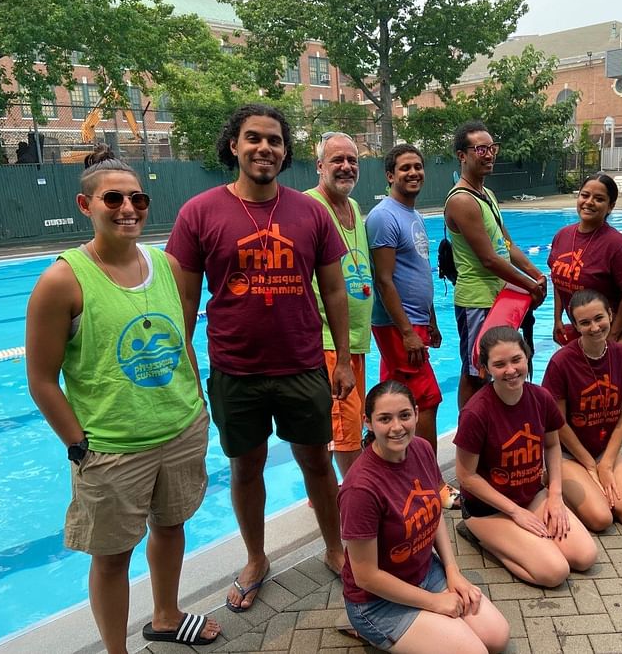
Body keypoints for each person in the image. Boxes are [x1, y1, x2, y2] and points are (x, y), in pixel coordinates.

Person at [25, 145, 221, 651]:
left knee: (172, 526)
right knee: (111, 557)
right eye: (113, 198)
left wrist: (197, 407)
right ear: (84, 204)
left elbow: (181, 345)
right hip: (112, 448)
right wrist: (78, 446)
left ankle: (166, 615)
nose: (128, 208)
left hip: (180, 430)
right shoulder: (62, 280)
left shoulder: (165, 266)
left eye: (138, 198)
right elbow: (42, 380)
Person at [166, 104, 354, 612]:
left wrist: (339, 360)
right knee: (245, 466)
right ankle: (256, 558)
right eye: (253, 138)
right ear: (234, 145)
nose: (264, 148)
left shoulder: (310, 211)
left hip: (301, 364)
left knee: (316, 459)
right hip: (235, 369)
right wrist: (186, 362)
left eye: (274, 140)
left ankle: (335, 549)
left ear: (285, 151)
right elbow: (182, 300)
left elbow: (334, 290)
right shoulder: (199, 212)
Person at [339, 380, 510, 653]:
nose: (397, 427)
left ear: (416, 414)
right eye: (385, 418)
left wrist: (453, 572)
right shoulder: (360, 489)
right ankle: (364, 628)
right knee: (473, 651)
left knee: (497, 637)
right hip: (376, 601)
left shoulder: (420, 448)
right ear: (368, 422)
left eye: (404, 415)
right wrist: (434, 603)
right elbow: (367, 577)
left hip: (424, 573)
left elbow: (433, 513)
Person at [454, 327, 597, 588]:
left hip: (531, 495)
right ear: (485, 368)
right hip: (488, 510)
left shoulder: (540, 398)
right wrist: (515, 513)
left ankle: (524, 539)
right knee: (554, 572)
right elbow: (466, 476)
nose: (510, 370)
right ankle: (481, 538)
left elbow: (552, 446)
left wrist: (555, 496)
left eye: (516, 360)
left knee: (584, 557)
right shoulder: (476, 413)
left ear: (527, 357)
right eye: (499, 364)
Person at [367, 143, 459, 509]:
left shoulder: (414, 215)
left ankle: (395, 475)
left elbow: (417, 272)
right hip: (396, 326)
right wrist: (406, 330)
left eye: (418, 167)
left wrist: (431, 318)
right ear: (390, 175)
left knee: (390, 402)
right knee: (427, 401)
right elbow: (384, 280)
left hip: (414, 322)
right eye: (404, 168)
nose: (413, 173)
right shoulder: (384, 217)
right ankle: (430, 482)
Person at [547, 173, 622, 476]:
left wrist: (613, 335)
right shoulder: (563, 235)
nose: (589, 202)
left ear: (611, 206)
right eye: (584, 194)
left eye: (599, 198)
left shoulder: (618, 246)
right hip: (588, 323)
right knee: (588, 387)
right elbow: (559, 281)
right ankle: (592, 447)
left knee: (615, 389)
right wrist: (557, 319)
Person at [443, 120, 547, 410]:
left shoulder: (486, 195)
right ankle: (469, 436)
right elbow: (489, 259)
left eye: (491, 148)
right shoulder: (462, 200)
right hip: (476, 300)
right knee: (477, 372)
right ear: (462, 155)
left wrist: (536, 274)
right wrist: (530, 287)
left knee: (501, 365)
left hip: (500, 298)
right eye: (480, 149)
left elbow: (508, 246)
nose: (488, 154)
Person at [541, 290, 622, 531]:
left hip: (603, 451)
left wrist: (607, 463)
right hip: (568, 454)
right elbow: (558, 425)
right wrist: (589, 464)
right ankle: (552, 479)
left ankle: (590, 479)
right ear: (576, 326)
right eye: (585, 322)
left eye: (599, 318)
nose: (595, 327)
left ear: (610, 315)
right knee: (601, 519)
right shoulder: (562, 363)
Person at [305, 131, 373, 477]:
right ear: (320, 166)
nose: (346, 167)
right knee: (345, 431)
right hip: (329, 343)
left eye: (352, 160)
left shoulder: (355, 206)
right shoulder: (309, 207)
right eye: (337, 160)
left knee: (350, 422)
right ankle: (356, 502)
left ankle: (326, 493)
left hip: (355, 339)